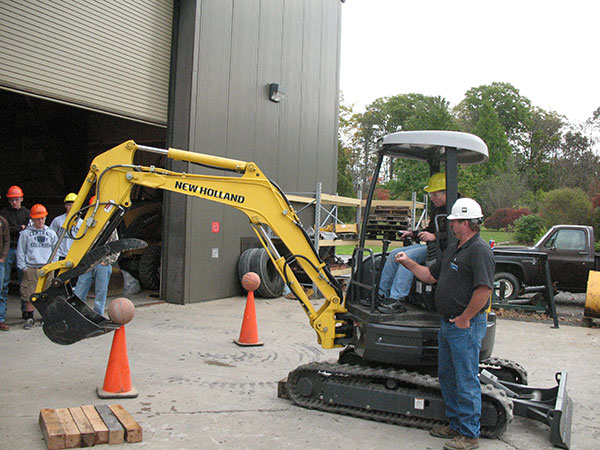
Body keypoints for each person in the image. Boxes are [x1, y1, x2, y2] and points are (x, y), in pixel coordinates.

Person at [395, 198, 494, 450]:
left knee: (465, 378)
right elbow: (430, 276)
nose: (450, 224)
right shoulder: (454, 249)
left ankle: (469, 435)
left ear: (467, 223)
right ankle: (455, 425)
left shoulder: (479, 251)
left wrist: (465, 318)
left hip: (464, 326)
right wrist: (407, 262)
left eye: (455, 221)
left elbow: (483, 290)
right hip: (448, 324)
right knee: (447, 376)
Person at [377, 172, 449, 311]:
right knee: (395, 254)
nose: (432, 198)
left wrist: (435, 237)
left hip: (444, 250)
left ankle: (397, 298)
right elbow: (430, 229)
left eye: (435, 194)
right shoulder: (439, 209)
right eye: (431, 195)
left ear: (445, 192)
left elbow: (456, 234)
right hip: (432, 247)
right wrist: (411, 233)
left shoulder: (457, 209)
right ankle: (381, 294)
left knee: (406, 258)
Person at [74, 196, 119, 316]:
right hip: (87, 264)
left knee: (101, 293)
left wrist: (106, 261)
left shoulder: (109, 227)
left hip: (102, 264)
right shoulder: (86, 225)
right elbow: (79, 244)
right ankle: (77, 314)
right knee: (80, 290)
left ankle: (98, 315)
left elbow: (116, 246)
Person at [16, 204, 58, 329]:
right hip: (31, 267)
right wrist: (23, 267)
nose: (40, 221)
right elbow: (21, 251)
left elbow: (55, 250)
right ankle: (30, 317)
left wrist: (52, 266)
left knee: (47, 293)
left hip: (46, 268)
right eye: (37, 218)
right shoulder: (26, 234)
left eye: (42, 218)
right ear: (32, 219)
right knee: (30, 293)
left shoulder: (51, 233)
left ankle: (46, 316)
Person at [0, 185, 31, 321]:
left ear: (22, 199)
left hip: (22, 251)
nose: (14, 202)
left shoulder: (27, 213)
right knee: (3, 283)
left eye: (16, 199)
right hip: (8, 250)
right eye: (12, 200)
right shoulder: (4, 213)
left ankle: (25, 311)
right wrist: (19, 228)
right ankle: (2, 315)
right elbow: (7, 231)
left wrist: (14, 229)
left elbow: (28, 231)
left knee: (24, 282)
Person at [49, 193, 79, 259]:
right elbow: (50, 237)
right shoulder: (58, 220)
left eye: (73, 205)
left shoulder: (81, 222)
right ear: (65, 206)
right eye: (69, 205)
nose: (71, 207)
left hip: (73, 256)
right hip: (59, 255)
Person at [0, 215, 10, 331]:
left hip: (0, 262)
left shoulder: (2, 221)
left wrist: (3, 257)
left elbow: (7, 240)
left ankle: (1, 319)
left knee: (1, 290)